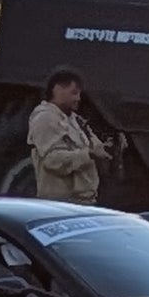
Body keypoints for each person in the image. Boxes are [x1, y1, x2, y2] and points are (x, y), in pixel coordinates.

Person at [27, 68, 110, 205]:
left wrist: (108, 149)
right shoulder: (45, 118)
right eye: (74, 93)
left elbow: (96, 148)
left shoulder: (76, 121)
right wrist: (88, 155)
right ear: (57, 89)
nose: (78, 99)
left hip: (83, 202)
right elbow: (52, 160)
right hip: (61, 204)